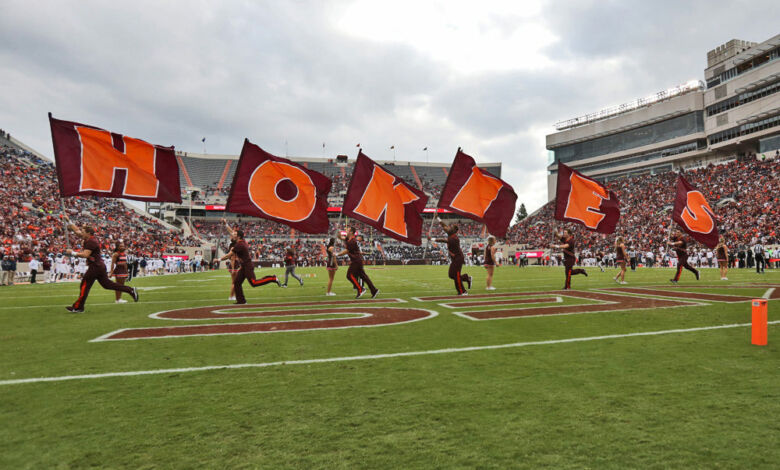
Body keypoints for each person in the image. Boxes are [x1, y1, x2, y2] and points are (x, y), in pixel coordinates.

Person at [64, 221, 138, 313]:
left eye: (83, 232)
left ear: (88, 233)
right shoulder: (89, 238)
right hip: (98, 266)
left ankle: (79, 307)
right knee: (107, 285)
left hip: (95, 267)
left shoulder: (91, 242)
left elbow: (85, 255)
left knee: (84, 285)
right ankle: (130, 290)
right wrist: (68, 221)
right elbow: (76, 230)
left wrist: (72, 253)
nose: (81, 233)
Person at [219, 228, 279, 304]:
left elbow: (228, 256)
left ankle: (272, 278)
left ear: (239, 237)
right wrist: (225, 225)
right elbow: (232, 233)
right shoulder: (241, 241)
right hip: (244, 266)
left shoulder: (239, 245)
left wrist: (218, 259)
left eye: (235, 235)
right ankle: (241, 301)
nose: (233, 235)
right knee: (237, 283)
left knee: (254, 283)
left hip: (247, 266)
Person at [430, 218, 472, 295]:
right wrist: (437, 218)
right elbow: (444, 226)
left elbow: (444, 240)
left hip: (458, 258)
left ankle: (463, 291)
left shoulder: (454, 238)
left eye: (451, 228)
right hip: (455, 258)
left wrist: (433, 239)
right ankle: (466, 278)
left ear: (454, 231)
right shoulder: (450, 234)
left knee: (456, 275)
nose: (448, 228)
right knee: (451, 275)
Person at [338, 227, 379, 299]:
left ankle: (360, 289)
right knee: (364, 276)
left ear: (351, 232)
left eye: (347, 230)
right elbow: (341, 238)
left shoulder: (352, 241)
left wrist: (337, 254)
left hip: (356, 260)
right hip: (357, 260)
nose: (346, 231)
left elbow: (346, 251)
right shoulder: (350, 239)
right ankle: (374, 290)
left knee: (349, 275)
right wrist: (338, 233)